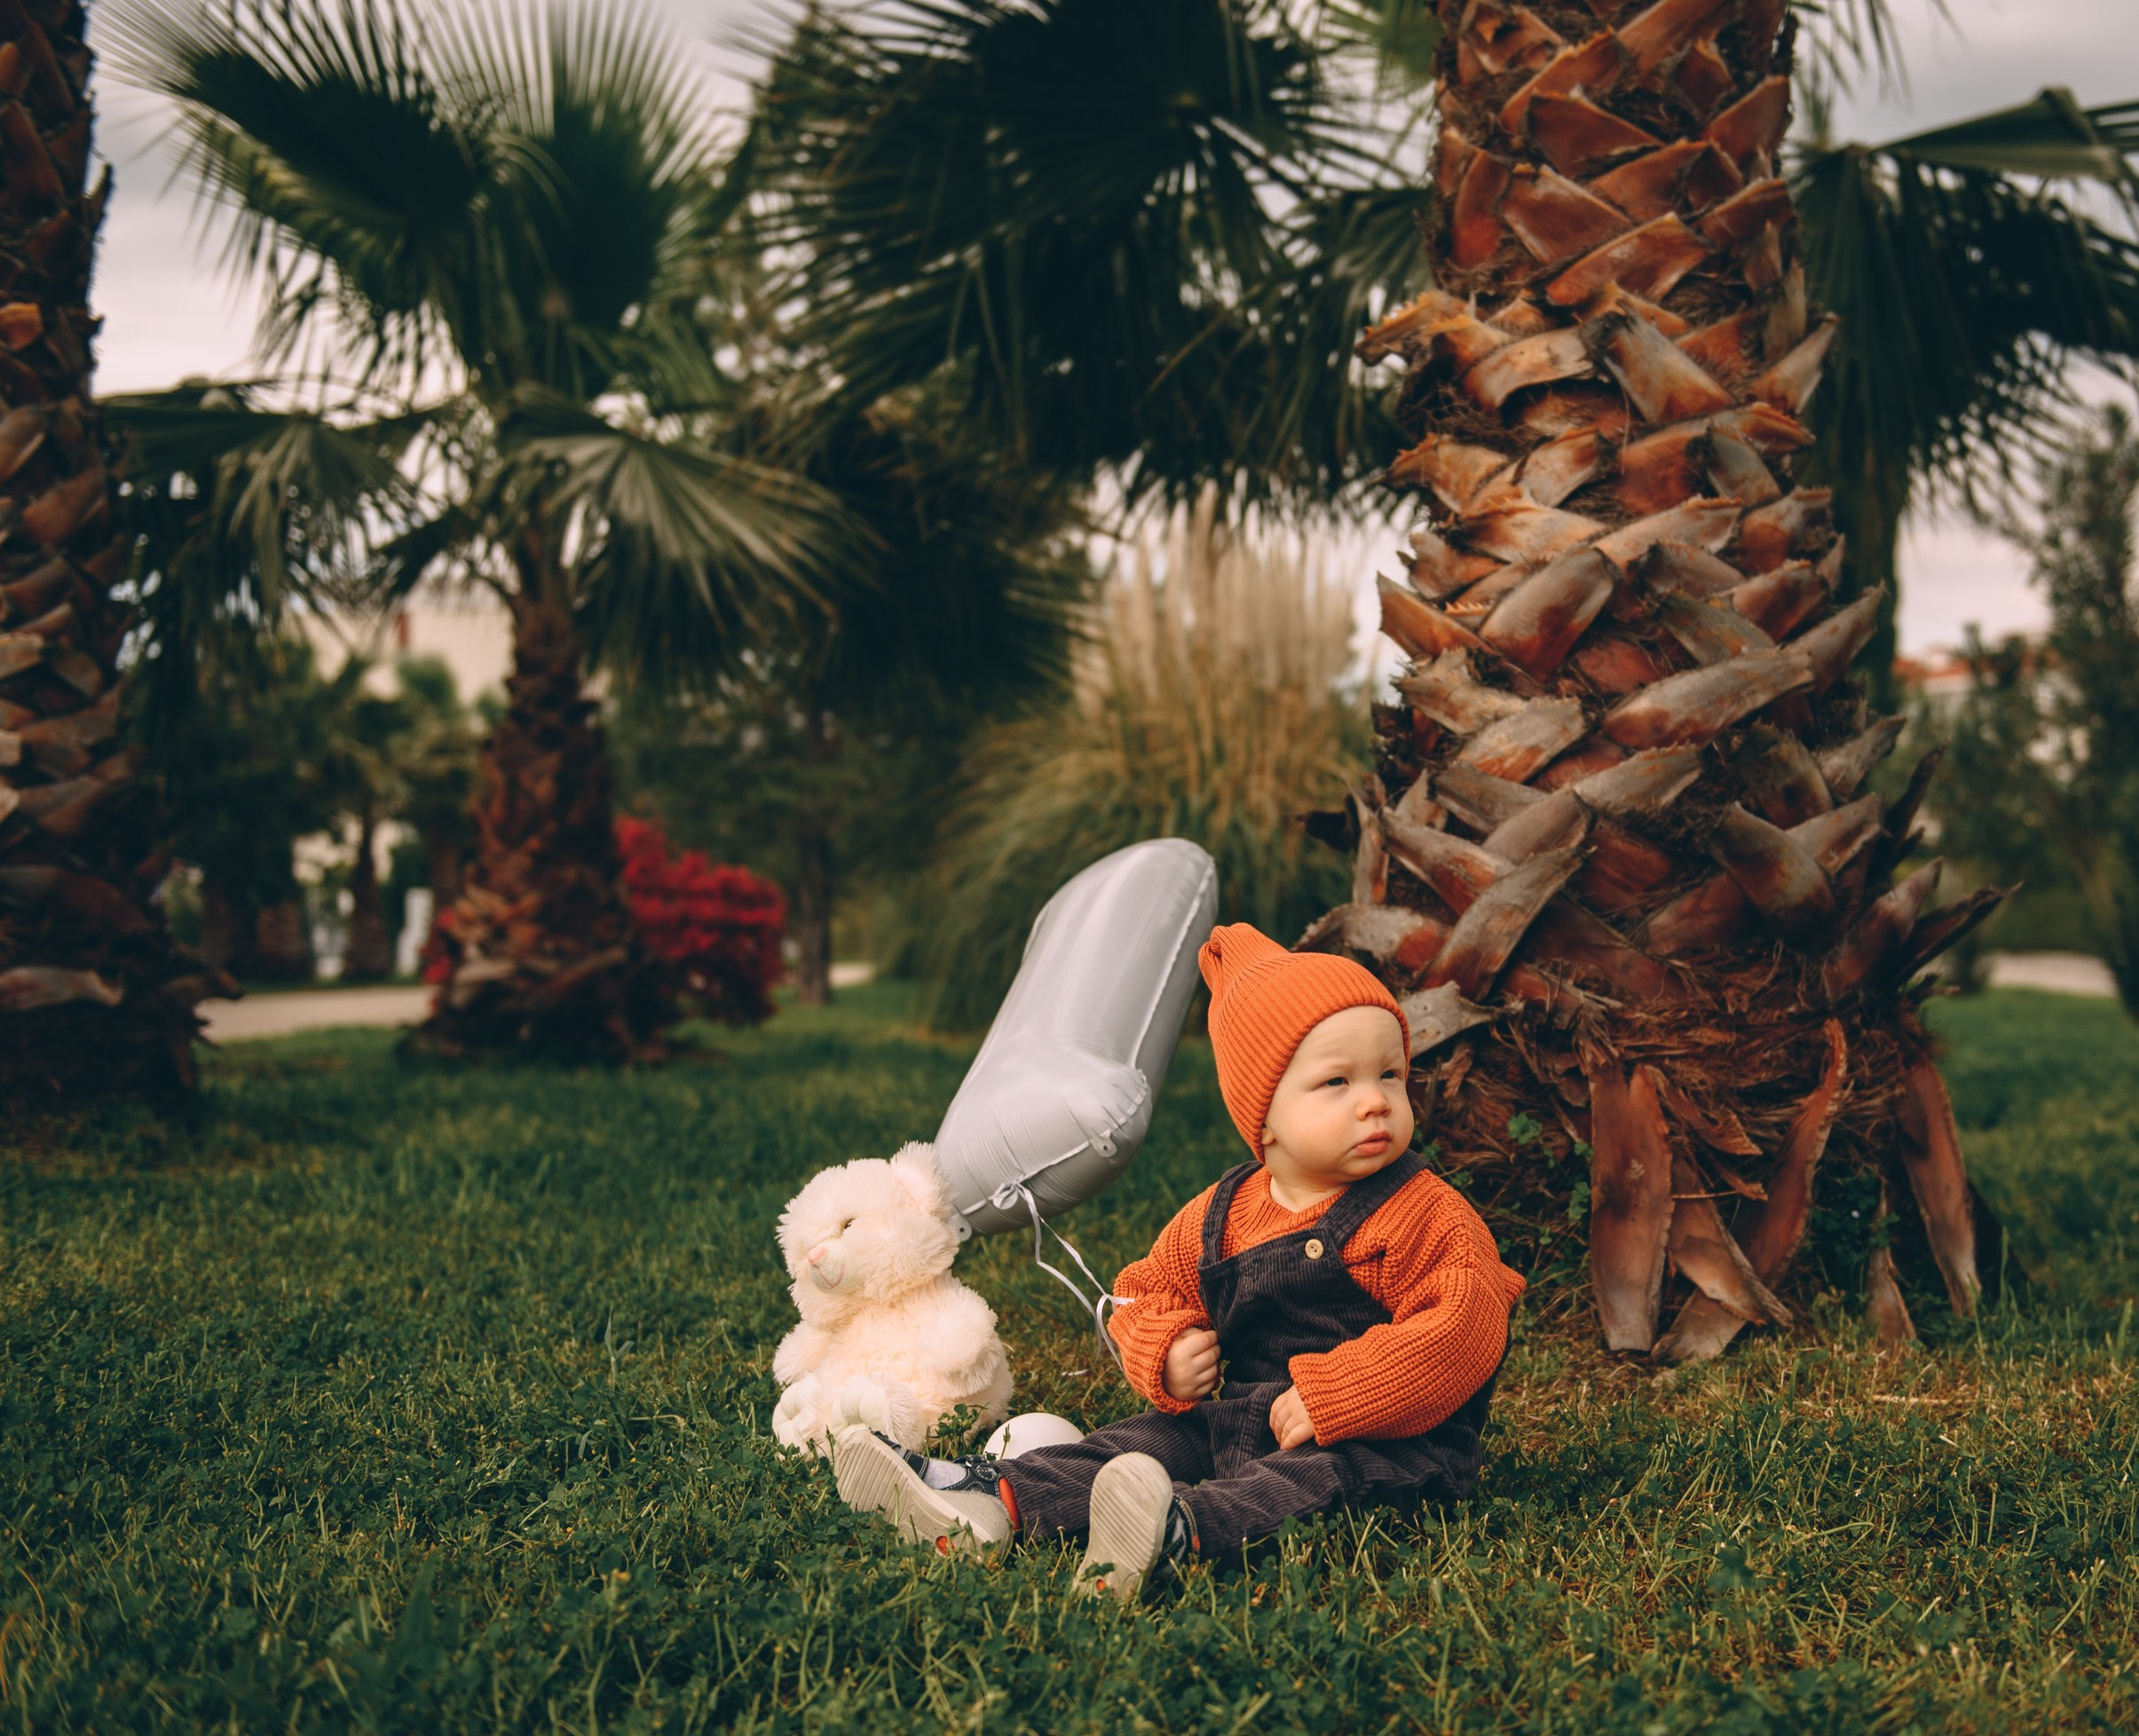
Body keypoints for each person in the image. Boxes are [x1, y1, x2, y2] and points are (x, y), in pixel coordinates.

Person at [832, 922, 1526, 1601]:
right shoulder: (1222, 1212)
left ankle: (1178, 1531)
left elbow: (1465, 1326)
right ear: (1265, 1116)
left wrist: (1338, 1394)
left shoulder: (1422, 1211)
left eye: (1389, 1074)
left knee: (1311, 1480)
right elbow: (1140, 1294)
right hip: (1242, 1419)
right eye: (1336, 1082)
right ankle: (991, 1498)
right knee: (1140, 1442)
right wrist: (1163, 1350)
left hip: (1391, 1444)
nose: (1375, 1101)